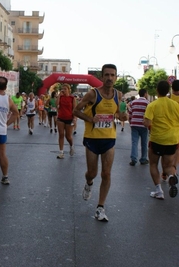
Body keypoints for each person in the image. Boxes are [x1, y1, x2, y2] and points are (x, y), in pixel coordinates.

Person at [73, 64, 127, 222]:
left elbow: (116, 113)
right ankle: (89, 182)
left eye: (113, 75)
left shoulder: (118, 94)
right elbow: (76, 111)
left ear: (116, 77)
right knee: (93, 173)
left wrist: (121, 116)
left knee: (106, 173)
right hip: (92, 138)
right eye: (107, 75)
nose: (110, 78)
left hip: (109, 138)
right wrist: (90, 119)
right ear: (102, 77)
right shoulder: (92, 94)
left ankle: (100, 207)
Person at [144, 80, 179, 199]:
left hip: (156, 139)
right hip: (172, 140)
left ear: (157, 91)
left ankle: (159, 191)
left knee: (153, 164)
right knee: (168, 166)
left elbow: (146, 122)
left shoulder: (152, 105)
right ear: (168, 91)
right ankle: (170, 177)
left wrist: (151, 126)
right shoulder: (176, 105)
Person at [128, 89, 149, 166]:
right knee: (144, 143)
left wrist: (131, 122)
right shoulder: (147, 103)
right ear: (145, 94)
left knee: (134, 142)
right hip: (143, 125)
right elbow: (148, 115)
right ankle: (143, 159)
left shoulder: (133, 102)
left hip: (134, 124)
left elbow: (130, 114)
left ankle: (133, 159)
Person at [56, 84, 76, 159]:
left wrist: (75, 118)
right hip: (61, 118)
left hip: (69, 118)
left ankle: (71, 145)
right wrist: (59, 95)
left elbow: (75, 109)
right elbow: (56, 105)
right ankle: (61, 152)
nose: (63, 90)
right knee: (61, 134)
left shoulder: (72, 98)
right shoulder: (60, 97)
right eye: (62, 89)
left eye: (65, 89)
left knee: (68, 136)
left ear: (68, 90)